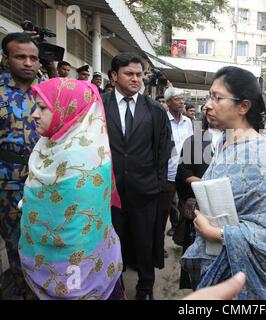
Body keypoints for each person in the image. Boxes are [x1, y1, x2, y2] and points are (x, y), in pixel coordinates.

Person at [181, 66, 266, 300]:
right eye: (209, 96)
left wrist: (218, 233)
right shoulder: (225, 141)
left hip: (240, 280)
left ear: (244, 106)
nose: (208, 104)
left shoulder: (259, 156)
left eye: (217, 97)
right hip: (214, 266)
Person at [18, 78, 123, 300]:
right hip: (45, 255)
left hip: (71, 267)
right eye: (36, 106)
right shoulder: (49, 144)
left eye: (43, 107)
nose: (35, 114)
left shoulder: (79, 157)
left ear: (67, 111)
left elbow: (73, 229)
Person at [102, 52, 173, 300]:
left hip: (145, 191)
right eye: (129, 74)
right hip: (108, 192)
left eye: (139, 74)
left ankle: (145, 288)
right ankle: (115, 287)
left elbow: (165, 148)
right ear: (113, 76)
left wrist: (157, 182)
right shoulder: (99, 105)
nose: (135, 79)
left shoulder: (154, 110)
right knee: (112, 243)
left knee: (145, 242)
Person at [0, 32, 42, 299]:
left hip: (43, 182)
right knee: (15, 244)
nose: (28, 63)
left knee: (39, 243)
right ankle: (22, 289)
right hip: (6, 183)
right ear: (6, 59)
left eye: (33, 58)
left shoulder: (48, 91)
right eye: (20, 56)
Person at [175, 115, 222, 289]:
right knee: (199, 257)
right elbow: (182, 171)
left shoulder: (237, 142)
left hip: (228, 209)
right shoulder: (194, 141)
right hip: (200, 207)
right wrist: (204, 184)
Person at [160, 87, 193, 239]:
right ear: (168, 102)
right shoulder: (162, 121)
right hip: (168, 176)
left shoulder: (188, 122)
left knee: (186, 212)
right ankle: (158, 248)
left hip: (185, 176)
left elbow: (193, 148)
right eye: (177, 99)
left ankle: (183, 242)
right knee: (162, 213)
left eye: (182, 99)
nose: (181, 102)